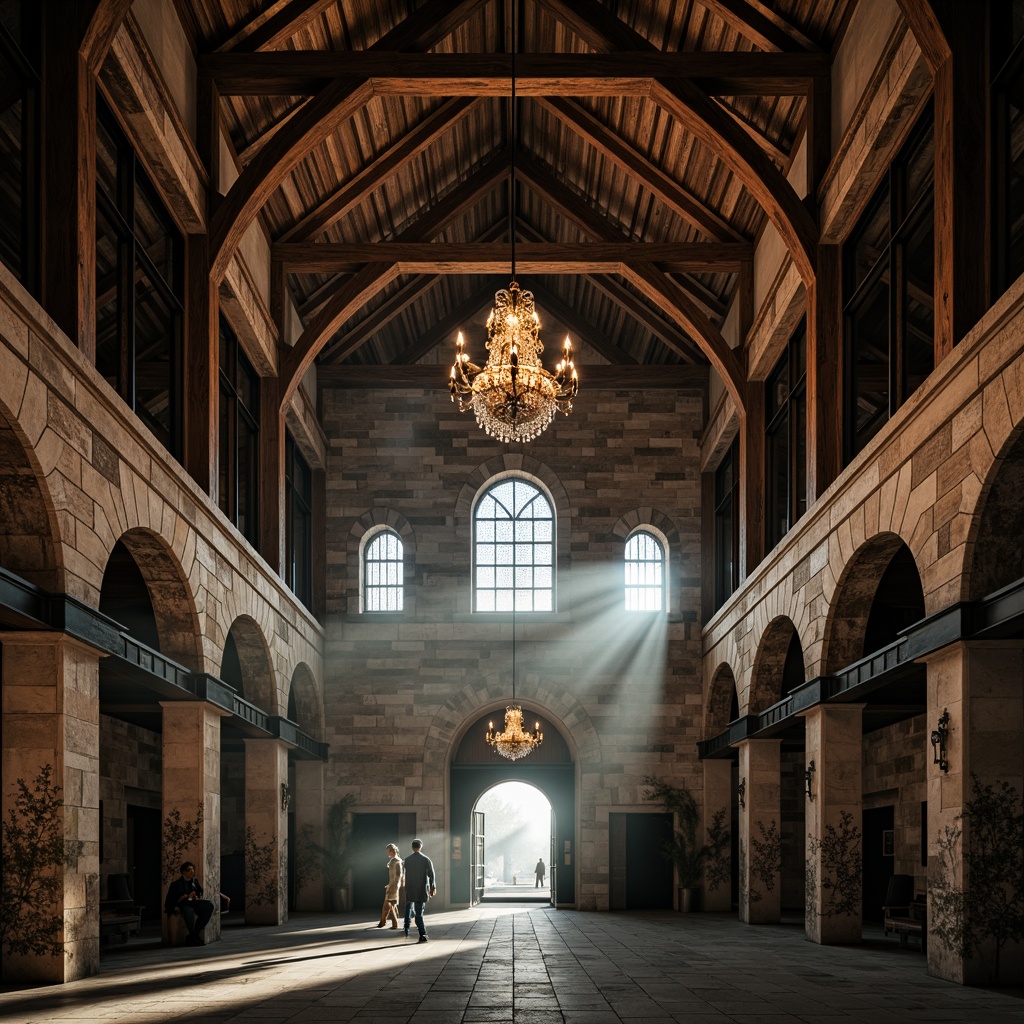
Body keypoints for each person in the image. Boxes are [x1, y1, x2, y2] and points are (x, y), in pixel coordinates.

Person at [164, 861, 215, 946]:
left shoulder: (194, 881)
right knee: (189, 911)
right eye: (189, 870)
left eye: (193, 870)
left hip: (193, 902)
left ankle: (194, 934)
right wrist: (184, 897)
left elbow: (199, 892)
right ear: (183, 872)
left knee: (209, 905)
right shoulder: (176, 884)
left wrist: (195, 896)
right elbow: (171, 900)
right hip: (183, 904)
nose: (192, 872)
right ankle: (193, 936)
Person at [402, 838, 436, 942]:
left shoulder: (407, 860)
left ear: (412, 847)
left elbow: (404, 875)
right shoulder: (426, 859)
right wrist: (432, 887)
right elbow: (431, 874)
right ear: (420, 847)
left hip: (410, 889)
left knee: (408, 908)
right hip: (421, 889)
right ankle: (422, 934)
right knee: (419, 913)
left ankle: (406, 928)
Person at [377, 843, 403, 929]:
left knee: (390, 905)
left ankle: (389, 923)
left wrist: (395, 885)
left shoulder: (396, 861)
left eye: (388, 851)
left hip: (394, 887)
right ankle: (383, 922)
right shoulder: (393, 860)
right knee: (389, 905)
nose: (387, 853)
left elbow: (399, 875)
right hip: (392, 885)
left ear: (391, 851)